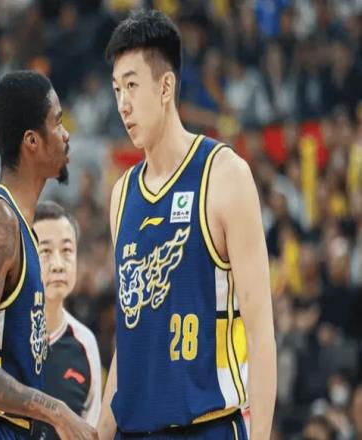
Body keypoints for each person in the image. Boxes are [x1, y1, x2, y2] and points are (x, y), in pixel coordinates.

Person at [98, 10, 276, 440]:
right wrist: (100, 431)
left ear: (165, 87)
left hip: (208, 426)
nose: (122, 104)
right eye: (117, 89)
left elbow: (260, 331)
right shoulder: (121, 194)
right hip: (134, 430)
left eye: (132, 86)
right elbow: (130, 335)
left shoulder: (225, 175)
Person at [0, 71, 97, 440]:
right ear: (32, 141)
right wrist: (57, 411)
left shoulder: (22, 226)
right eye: (57, 122)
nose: (66, 134)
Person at [32, 201, 102, 439]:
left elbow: (90, 431)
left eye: (67, 250)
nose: (58, 265)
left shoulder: (85, 343)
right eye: (45, 252)